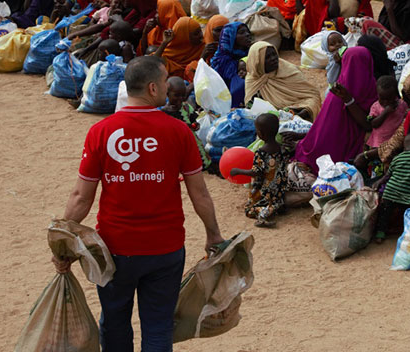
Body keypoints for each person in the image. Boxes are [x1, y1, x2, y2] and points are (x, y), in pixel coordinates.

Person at [54, 56, 224, 350]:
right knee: (158, 325)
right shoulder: (178, 131)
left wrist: (64, 242)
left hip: (115, 249)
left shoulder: (101, 132)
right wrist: (213, 233)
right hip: (166, 248)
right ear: (152, 89)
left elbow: (82, 197)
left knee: (115, 321)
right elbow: (200, 194)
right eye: (163, 82)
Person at [294, 47, 379, 175]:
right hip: (340, 152)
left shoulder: (373, 88)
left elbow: (368, 125)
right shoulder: (339, 91)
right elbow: (325, 132)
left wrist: (349, 100)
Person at [230, 113, 294, 228]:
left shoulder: (261, 152)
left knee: (249, 209)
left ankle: (263, 215)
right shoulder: (282, 148)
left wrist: (238, 171)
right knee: (274, 199)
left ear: (261, 134)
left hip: (267, 189)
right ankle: (278, 206)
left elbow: (256, 172)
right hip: (280, 188)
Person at [373, 132, 410, 242]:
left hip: (390, 191)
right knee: (408, 213)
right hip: (407, 194)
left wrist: (379, 182)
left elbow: (387, 175)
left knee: (384, 213)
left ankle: (380, 233)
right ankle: (407, 233)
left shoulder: (397, 158)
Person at [244, 41, 323, 120]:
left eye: (274, 54)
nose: (273, 59)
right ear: (258, 62)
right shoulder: (253, 79)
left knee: (312, 104)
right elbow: (250, 104)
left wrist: (301, 113)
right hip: (271, 117)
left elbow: (312, 95)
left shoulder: (289, 70)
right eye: (267, 57)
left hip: (297, 107)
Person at [353, 75, 408, 179]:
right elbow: (373, 124)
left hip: (394, 143)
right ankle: (375, 180)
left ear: (396, 95)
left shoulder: (402, 105)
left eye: (389, 98)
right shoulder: (376, 106)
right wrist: (385, 112)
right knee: (377, 165)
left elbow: (405, 117)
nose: (386, 102)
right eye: (382, 98)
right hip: (378, 143)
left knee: (390, 163)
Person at [162, 76, 212, 169]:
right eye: (176, 95)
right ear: (167, 94)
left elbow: (194, 119)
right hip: (175, 144)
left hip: (191, 141)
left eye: (183, 95)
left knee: (200, 158)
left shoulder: (186, 107)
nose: (180, 99)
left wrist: (196, 125)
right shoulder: (164, 112)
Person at [210, 22, 253, 108]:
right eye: (242, 33)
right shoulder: (221, 60)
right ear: (231, 37)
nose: (247, 35)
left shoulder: (251, 53)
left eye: (248, 32)